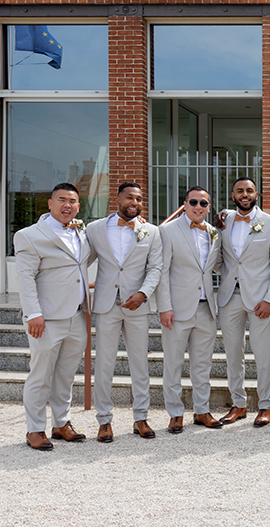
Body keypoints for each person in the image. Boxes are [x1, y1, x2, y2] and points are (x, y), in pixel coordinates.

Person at [15, 183, 91, 450]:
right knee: (41, 374)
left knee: (66, 374)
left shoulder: (82, 231)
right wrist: (33, 314)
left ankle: (61, 423)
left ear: (78, 207)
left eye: (72, 201)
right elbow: (25, 277)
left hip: (77, 314)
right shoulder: (29, 235)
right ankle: (35, 429)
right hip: (45, 319)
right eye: (61, 200)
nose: (67, 205)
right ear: (50, 204)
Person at [86, 182, 162, 442]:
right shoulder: (94, 229)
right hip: (107, 305)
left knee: (139, 363)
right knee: (104, 363)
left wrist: (143, 294)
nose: (135, 202)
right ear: (117, 198)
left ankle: (141, 417)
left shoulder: (150, 232)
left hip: (137, 305)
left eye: (139, 198)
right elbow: (79, 261)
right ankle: (104, 421)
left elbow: (156, 268)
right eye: (129, 197)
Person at [213, 177, 270, 428]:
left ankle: (265, 405)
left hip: (259, 300)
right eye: (240, 191)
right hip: (228, 297)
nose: (245, 195)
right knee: (233, 354)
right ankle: (239, 404)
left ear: (257, 194)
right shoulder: (223, 222)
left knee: (263, 353)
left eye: (249, 191)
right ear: (233, 196)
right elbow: (220, 259)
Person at [156, 186, 223, 433]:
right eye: (193, 202)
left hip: (206, 308)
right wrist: (164, 307)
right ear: (184, 204)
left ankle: (202, 410)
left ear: (208, 207)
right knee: (173, 364)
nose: (198, 207)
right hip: (177, 309)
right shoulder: (167, 231)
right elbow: (162, 271)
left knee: (202, 365)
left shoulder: (214, 233)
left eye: (204, 203)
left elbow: (217, 267)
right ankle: (175, 413)